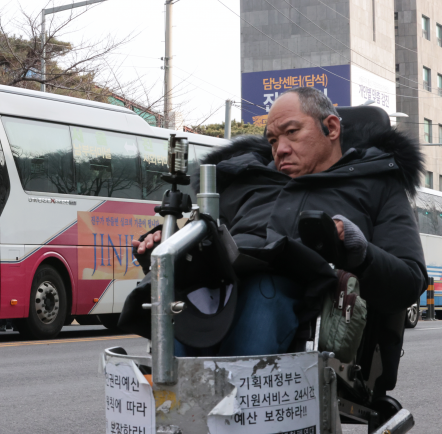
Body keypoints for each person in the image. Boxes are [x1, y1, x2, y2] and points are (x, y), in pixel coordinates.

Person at [133, 88, 427, 394]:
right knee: (184, 304)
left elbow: (409, 280)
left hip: (307, 305)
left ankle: (236, 410)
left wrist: (359, 249)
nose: (281, 149)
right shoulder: (246, 182)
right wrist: (169, 246)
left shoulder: (377, 184)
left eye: (292, 133)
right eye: (273, 140)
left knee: (264, 291)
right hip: (221, 293)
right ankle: (177, 406)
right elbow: (209, 246)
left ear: (332, 128)